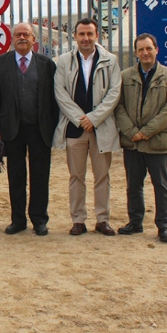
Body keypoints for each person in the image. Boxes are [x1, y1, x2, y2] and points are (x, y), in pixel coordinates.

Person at [53, 17, 122, 237]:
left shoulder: (110, 60)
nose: (85, 38)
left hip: (101, 128)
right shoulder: (64, 61)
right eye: (81, 34)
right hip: (75, 128)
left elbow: (114, 93)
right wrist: (80, 118)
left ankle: (102, 219)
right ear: (75, 36)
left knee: (102, 176)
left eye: (89, 34)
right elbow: (60, 92)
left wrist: (94, 118)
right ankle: (78, 220)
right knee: (76, 176)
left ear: (97, 35)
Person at [0, 22, 58, 235]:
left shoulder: (46, 64)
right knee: (16, 176)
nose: (22, 38)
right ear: (12, 39)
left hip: (39, 129)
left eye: (26, 34)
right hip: (12, 129)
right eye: (18, 34)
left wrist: (52, 127)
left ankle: (39, 219)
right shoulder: (0, 63)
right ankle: (18, 220)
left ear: (33, 39)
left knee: (40, 175)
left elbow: (54, 99)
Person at [114, 33, 167, 243]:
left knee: (161, 185)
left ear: (156, 50)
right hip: (132, 142)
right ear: (136, 52)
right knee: (133, 185)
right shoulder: (125, 77)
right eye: (141, 49)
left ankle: (163, 226)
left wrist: (146, 131)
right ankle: (135, 222)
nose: (145, 53)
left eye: (149, 48)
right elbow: (118, 106)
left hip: (157, 142)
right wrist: (131, 131)